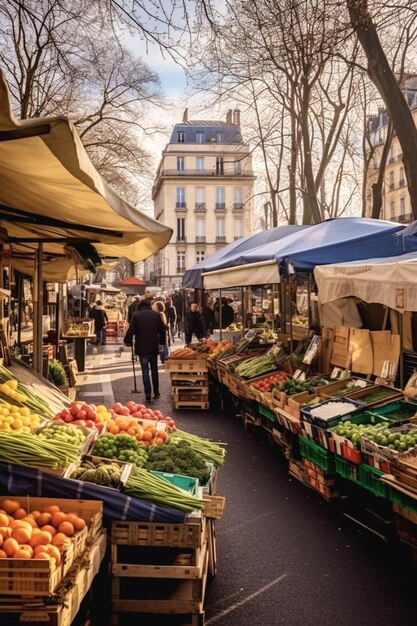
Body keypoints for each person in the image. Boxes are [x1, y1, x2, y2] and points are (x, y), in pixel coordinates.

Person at [124, 298, 166, 403]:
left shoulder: (136, 315)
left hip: (141, 347)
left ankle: (148, 394)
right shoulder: (156, 315)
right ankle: (156, 392)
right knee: (154, 370)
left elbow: (131, 330)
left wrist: (127, 341)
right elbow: (162, 330)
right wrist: (162, 342)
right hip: (153, 346)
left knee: (145, 371)